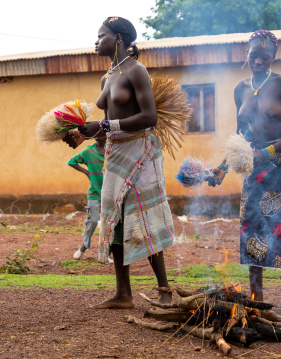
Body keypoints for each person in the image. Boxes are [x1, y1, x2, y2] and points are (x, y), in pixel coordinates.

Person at [64, 17, 175, 309]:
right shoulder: (107, 76)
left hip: (140, 151)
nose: (96, 41)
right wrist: (85, 133)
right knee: (114, 219)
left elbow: (149, 117)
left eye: (101, 36)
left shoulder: (137, 71)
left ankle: (165, 291)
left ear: (119, 38)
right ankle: (123, 294)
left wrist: (104, 125)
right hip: (114, 151)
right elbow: (108, 124)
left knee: (144, 218)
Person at [209, 30, 281, 313]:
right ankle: (257, 296)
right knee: (252, 226)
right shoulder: (240, 89)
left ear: (274, 56)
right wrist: (223, 167)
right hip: (254, 164)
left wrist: (268, 152)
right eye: (253, 56)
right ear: (246, 55)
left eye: (264, 56)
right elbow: (241, 134)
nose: (258, 60)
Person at [68, 132, 113, 264]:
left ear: (108, 135)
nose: (97, 136)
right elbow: (72, 161)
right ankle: (84, 246)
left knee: (109, 224)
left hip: (111, 195)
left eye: (101, 133)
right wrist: (86, 172)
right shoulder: (88, 151)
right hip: (94, 192)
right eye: (96, 133)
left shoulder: (112, 151)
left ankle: (105, 253)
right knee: (92, 221)